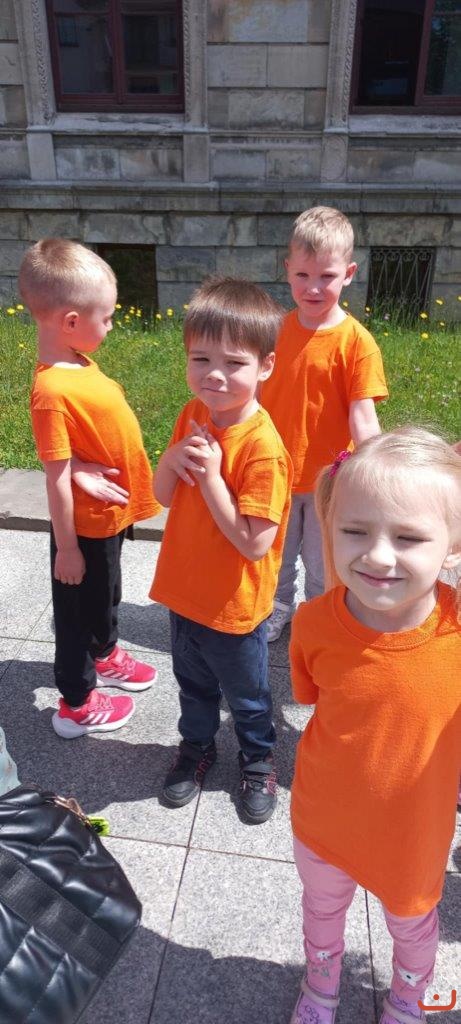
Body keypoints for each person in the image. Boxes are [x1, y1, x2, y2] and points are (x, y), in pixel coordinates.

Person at [289, 427, 461, 1024]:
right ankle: (320, 988)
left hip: (414, 833)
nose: (378, 556)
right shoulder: (312, 622)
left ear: (453, 543)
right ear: (328, 527)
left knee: (413, 927)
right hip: (323, 817)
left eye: (409, 537)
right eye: (354, 531)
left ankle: (411, 1001)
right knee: (321, 911)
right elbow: (315, 699)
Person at [150, 278, 292, 824]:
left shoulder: (262, 448)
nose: (214, 374)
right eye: (201, 359)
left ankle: (257, 761)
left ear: (265, 366)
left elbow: (255, 543)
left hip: (234, 608)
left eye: (234, 363)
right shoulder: (194, 413)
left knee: (248, 698)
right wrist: (171, 461)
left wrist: (211, 478)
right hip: (184, 593)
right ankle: (196, 747)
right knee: (193, 688)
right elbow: (164, 495)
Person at [19, 239, 159, 739]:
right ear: (72, 321)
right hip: (82, 529)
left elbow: (68, 454)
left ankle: (106, 652)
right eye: (108, 317)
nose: (112, 325)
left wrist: (79, 464)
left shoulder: (76, 363)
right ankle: (76, 703)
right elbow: (55, 475)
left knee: (106, 596)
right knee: (76, 614)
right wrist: (68, 549)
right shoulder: (51, 390)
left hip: (107, 518)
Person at [261, 206, 388, 641]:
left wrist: (373, 473)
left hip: (328, 480)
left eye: (327, 276)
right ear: (287, 270)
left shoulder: (357, 342)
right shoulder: (274, 331)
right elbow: (252, 396)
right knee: (275, 555)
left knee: (324, 562)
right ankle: (278, 606)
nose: (313, 287)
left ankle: (320, 615)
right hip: (274, 473)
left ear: (349, 273)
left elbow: (363, 415)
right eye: (302, 275)